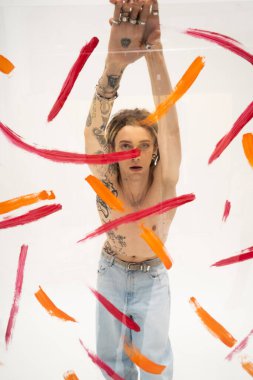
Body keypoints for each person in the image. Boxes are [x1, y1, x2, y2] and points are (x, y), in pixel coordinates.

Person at [84, 0, 181, 379]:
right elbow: (92, 132)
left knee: (153, 360)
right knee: (111, 362)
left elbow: (170, 128)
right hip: (111, 272)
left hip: (152, 278)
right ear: (113, 154)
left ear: (155, 151)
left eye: (144, 145)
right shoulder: (105, 180)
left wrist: (154, 51)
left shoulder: (165, 181)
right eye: (124, 146)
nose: (135, 153)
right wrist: (113, 68)